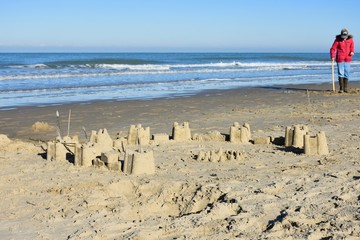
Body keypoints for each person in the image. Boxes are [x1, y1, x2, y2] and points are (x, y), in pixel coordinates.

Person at [330, 28, 355, 93]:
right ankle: (341, 88)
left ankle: (345, 88)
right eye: (343, 36)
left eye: (345, 36)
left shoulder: (351, 40)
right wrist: (332, 56)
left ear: (347, 35)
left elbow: (352, 47)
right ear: (341, 35)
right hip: (340, 59)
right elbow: (333, 49)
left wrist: (352, 51)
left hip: (348, 59)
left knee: (347, 72)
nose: (344, 38)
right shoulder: (337, 40)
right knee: (341, 73)